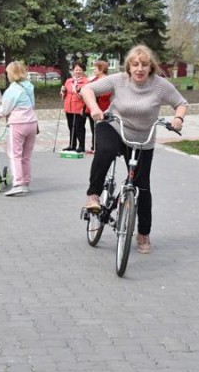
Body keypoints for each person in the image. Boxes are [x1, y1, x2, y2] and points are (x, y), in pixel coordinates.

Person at [80, 44, 187, 254]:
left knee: (143, 188)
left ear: (151, 67)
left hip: (142, 138)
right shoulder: (119, 80)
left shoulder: (160, 85)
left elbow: (181, 103)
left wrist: (178, 118)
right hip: (114, 126)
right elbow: (87, 89)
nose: (139, 69)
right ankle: (93, 196)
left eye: (144, 65)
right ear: (129, 66)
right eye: (135, 64)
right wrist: (94, 108)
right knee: (106, 151)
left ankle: (143, 233)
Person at [0, 61, 38, 196]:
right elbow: (32, 104)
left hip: (17, 123)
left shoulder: (12, 90)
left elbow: (3, 111)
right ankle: (26, 182)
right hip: (32, 122)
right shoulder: (29, 86)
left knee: (14, 154)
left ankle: (17, 183)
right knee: (26, 156)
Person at [60, 61, 89, 153]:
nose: (78, 71)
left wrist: (78, 91)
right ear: (73, 70)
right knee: (70, 126)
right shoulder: (68, 81)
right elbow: (63, 95)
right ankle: (72, 145)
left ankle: (81, 146)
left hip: (79, 108)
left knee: (79, 127)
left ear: (83, 71)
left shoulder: (86, 82)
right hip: (69, 108)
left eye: (80, 70)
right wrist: (62, 91)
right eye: (76, 70)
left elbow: (87, 96)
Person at [85, 60, 112, 154]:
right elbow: (87, 90)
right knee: (94, 129)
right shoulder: (93, 80)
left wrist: (97, 93)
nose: (94, 70)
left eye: (96, 68)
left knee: (103, 129)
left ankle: (102, 147)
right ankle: (95, 146)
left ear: (101, 69)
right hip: (92, 109)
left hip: (103, 108)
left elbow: (107, 94)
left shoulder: (108, 80)